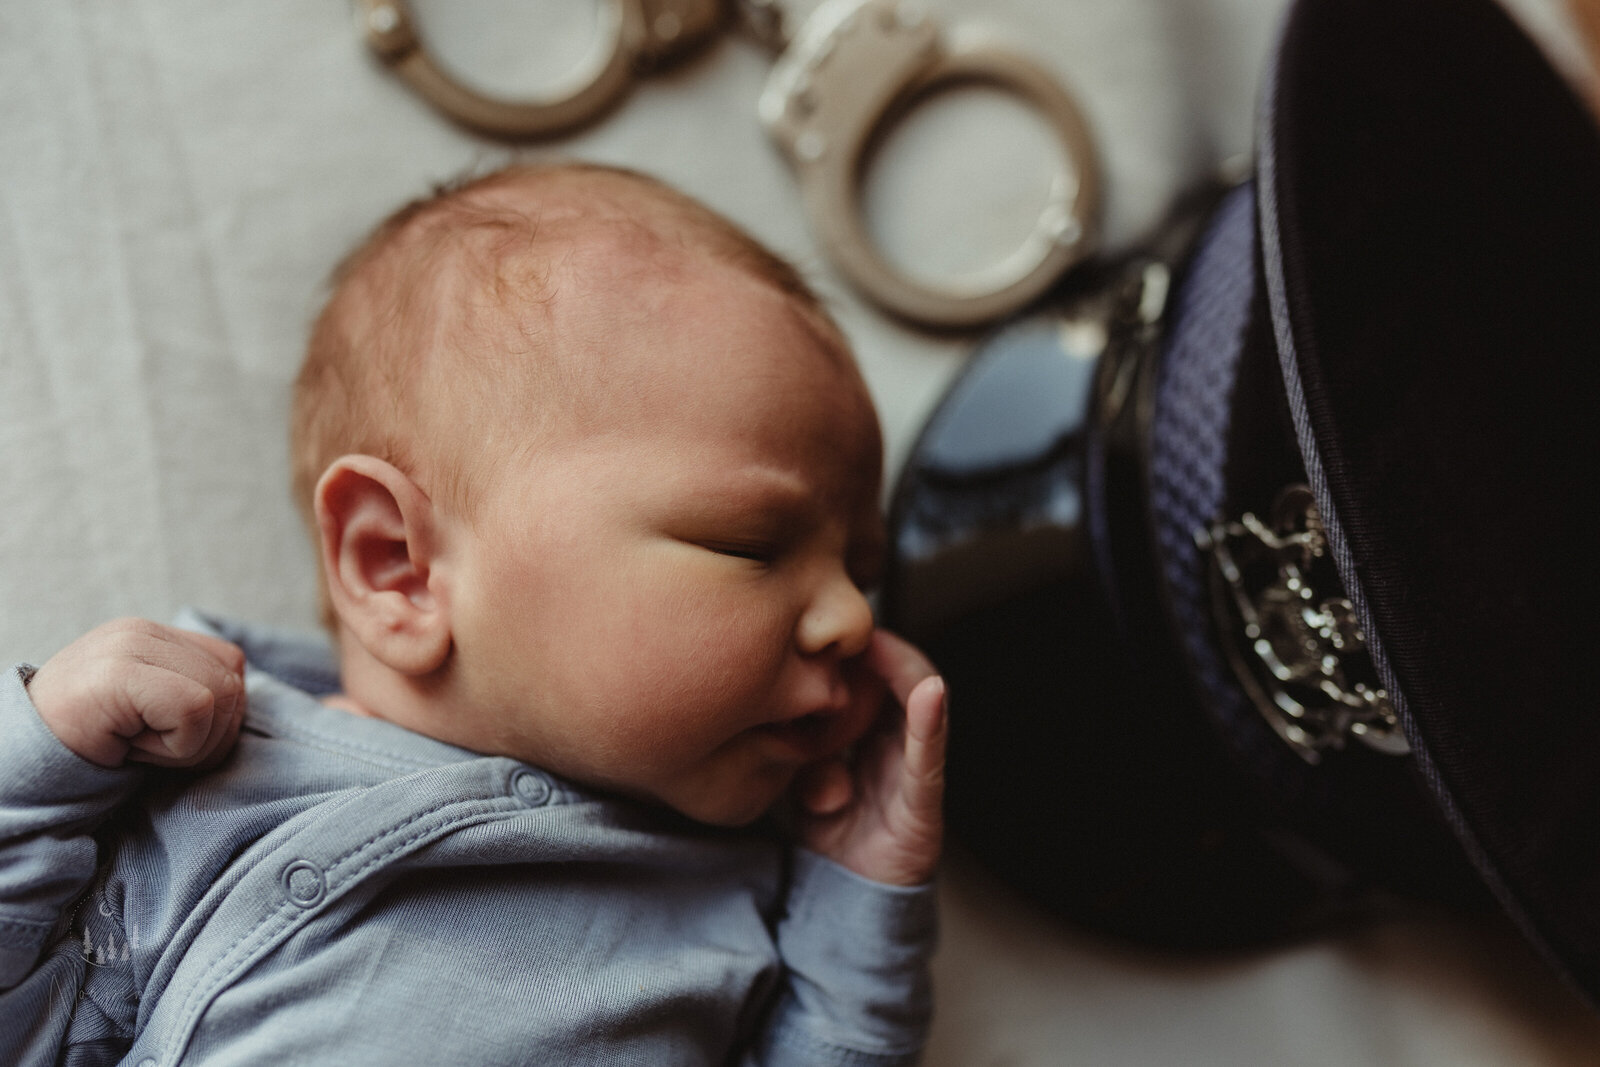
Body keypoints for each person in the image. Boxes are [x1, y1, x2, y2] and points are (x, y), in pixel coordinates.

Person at [0, 162, 948, 1066]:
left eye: (859, 572)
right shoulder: (214, 782)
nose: (849, 621)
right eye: (751, 545)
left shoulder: (739, 896)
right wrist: (42, 763)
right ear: (400, 568)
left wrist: (860, 900)